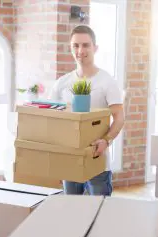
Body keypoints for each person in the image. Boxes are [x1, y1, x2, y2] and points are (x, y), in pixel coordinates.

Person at [49, 25, 125, 196]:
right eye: (75, 45)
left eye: (85, 45)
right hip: (70, 160)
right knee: (72, 213)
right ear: (71, 48)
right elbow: (53, 120)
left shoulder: (107, 81)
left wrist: (106, 140)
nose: (80, 50)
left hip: (97, 161)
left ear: (95, 48)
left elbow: (119, 118)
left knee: (99, 213)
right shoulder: (61, 83)